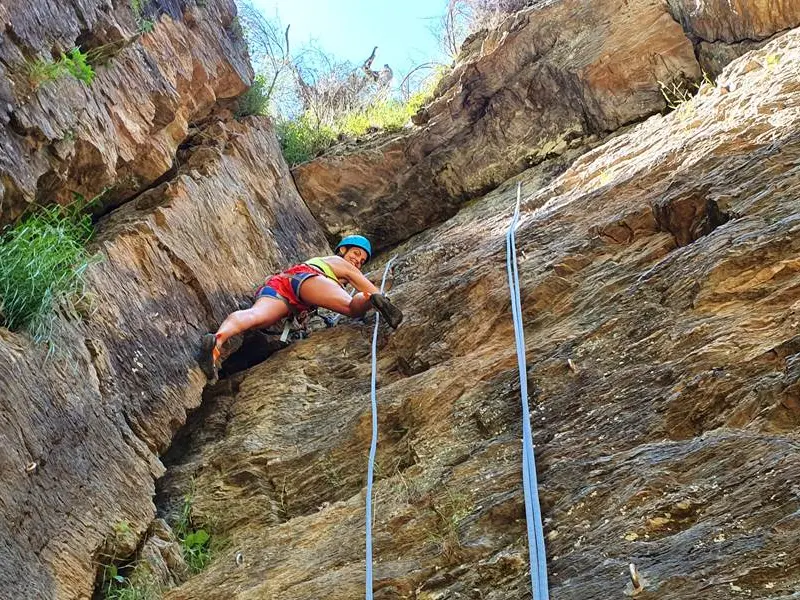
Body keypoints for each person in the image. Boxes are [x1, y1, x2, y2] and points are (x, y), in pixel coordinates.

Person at [198, 235, 403, 379]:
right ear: (343, 249)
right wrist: (379, 297)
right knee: (352, 307)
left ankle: (217, 342)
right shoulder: (338, 262)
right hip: (310, 280)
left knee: (256, 315)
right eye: (356, 253)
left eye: (362, 260)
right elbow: (359, 280)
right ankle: (370, 300)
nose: (357, 260)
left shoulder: (322, 262)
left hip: (283, 284)